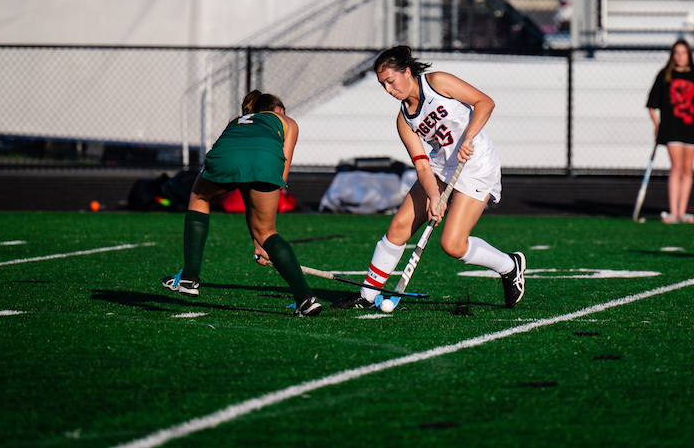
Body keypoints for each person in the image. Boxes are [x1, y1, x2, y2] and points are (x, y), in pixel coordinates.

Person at [333, 46, 526, 309]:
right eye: (383, 85)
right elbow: (423, 167)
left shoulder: (437, 83)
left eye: (391, 81)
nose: (389, 90)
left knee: (453, 244)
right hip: (441, 169)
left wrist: (469, 137)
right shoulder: (404, 121)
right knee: (399, 226)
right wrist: (434, 197)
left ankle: (509, 265)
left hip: (476, 164)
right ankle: (367, 295)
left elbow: (485, 103)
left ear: (407, 72)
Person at [161, 90, 323, 316]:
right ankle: (306, 298)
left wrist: (257, 241)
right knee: (268, 231)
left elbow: (244, 183)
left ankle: (189, 277)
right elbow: (280, 176)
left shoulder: (237, 122)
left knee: (199, 198)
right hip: (265, 161)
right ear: (281, 111)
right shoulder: (288, 122)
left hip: (227, 155)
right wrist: (263, 237)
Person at [646, 39, 694, 224]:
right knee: (677, 166)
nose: (680, 57)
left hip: (691, 127)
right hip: (671, 128)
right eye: (677, 53)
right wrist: (657, 125)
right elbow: (652, 104)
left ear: (689, 55)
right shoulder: (665, 75)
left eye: (683, 53)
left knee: (688, 168)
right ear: (673, 56)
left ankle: (682, 211)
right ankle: (673, 212)